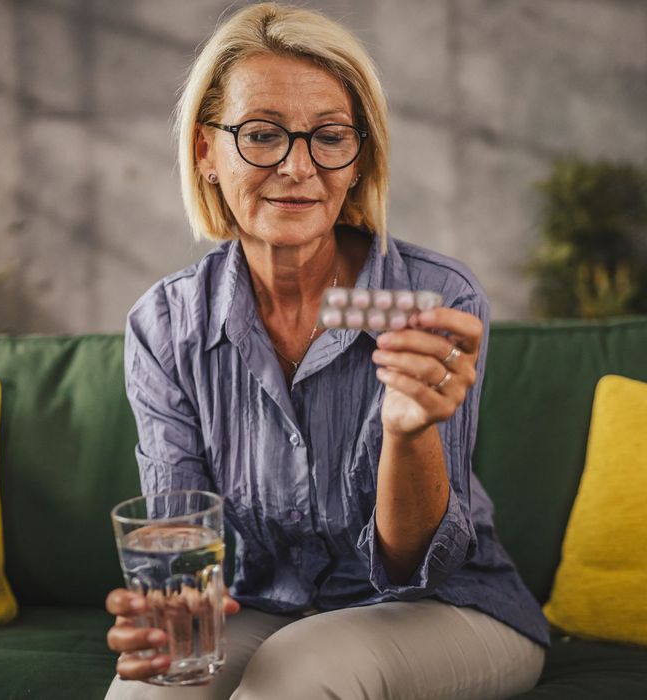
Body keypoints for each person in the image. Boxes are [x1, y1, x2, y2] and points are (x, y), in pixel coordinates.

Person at [105, 4, 549, 698]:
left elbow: (414, 568)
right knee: (152, 689)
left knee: (302, 672)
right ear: (205, 152)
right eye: (262, 135)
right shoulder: (165, 326)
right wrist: (170, 612)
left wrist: (410, 429)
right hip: (268, 604)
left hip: (442, 607)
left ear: (358, 157)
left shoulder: (436, 299)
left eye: (329, 137)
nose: (298, 166)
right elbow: (182, 542)